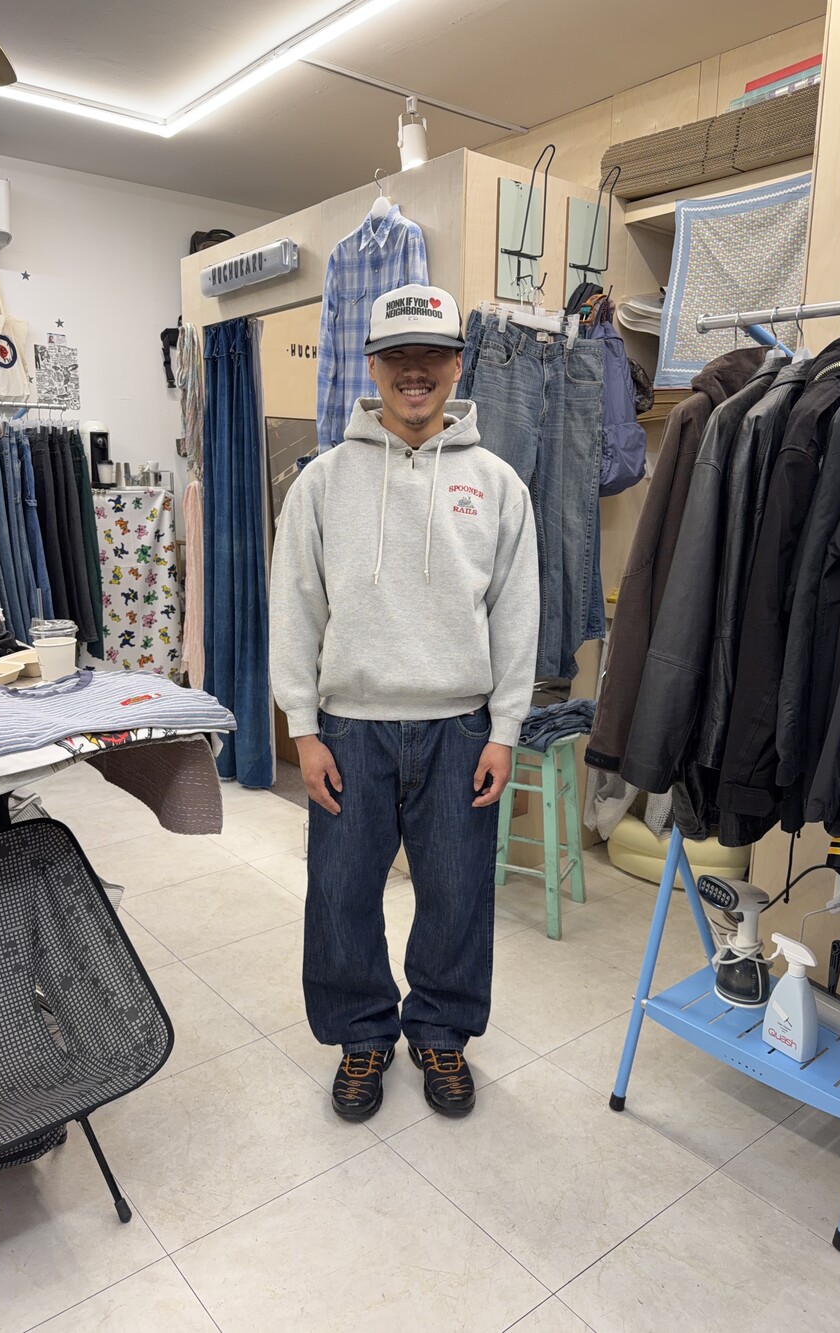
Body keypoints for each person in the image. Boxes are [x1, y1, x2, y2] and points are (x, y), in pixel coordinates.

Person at [269, 284, 539, 1121]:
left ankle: (441, 1032)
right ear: (372, 365)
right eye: (397, 356)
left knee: (457, 894)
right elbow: (295, 607)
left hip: (461, 729)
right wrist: (303, 728)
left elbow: (517, 611)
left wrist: (505, 728)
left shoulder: (498, 484)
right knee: (341, 892)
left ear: (457, 364)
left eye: (431, 355)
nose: (414, 371)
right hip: (350, 729)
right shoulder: (322, 483)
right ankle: (361, 1033)